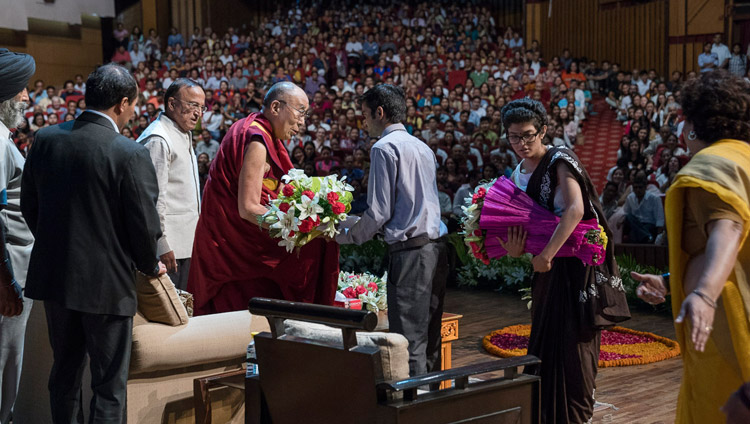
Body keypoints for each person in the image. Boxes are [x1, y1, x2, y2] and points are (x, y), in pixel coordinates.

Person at [21, 64, 165, 423]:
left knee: (64, 376)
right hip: (108, 286)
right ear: (122, 103)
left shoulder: (46, 139)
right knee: (108, 386)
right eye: (133, 105)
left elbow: (29, 206)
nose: (133, 112)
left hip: (56, 278)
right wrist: (150, 265)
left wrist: (59, 245)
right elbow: (144, 227)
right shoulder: (129, 152)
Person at [498, 98, 628, 423]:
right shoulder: (517, 172)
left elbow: (575, 210)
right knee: (545, 342)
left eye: (528, 135)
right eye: (514, 137)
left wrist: (545, 254)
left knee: (575, 347)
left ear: (543, 130)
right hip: (547, 268)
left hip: (574, 268)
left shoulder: (560, 159)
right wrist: (516, 249)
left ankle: (577, 416)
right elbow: (524, 224)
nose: (522, 143)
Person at [633, 70, 750, 424]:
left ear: (692, 126)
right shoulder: (744, 158)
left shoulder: (711, 165)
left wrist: (703, 295)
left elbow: (729, 228)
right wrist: (672, 280)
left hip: (730, 328)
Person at [188, 82, 339, 315]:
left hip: (233, 243)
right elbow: (248, 209)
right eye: (300, 111)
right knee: (316, 248)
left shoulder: (260, 132)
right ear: (276, 106)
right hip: (234, 250)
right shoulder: (256, 139)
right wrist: (301, 228)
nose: (302, 122)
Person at [335, 84, 446, 378]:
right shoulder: (423, 147)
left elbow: (380, 212)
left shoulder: (384, 148)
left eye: (365, 115)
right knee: (430, 342)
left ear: (380, 113)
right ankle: (431, 404)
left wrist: (345, 235)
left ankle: (411, 410)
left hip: (411, 254)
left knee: (407, 343)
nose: (364, 122)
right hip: (437, 250)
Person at [137, 79, 203, 290]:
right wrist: (161, 244)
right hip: (170, 249)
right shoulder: (158, 137)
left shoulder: (182, 133)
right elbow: (153, 199)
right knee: (172, 316)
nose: (198, 113)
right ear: (172, 104)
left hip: (185, 244)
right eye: (193, 105)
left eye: (202, 107)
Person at [0, 48, 35, 424]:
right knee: (5, 367)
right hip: (9, 276)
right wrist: (5, 281)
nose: (27, 97)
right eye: (21, 89)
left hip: (12, 271)